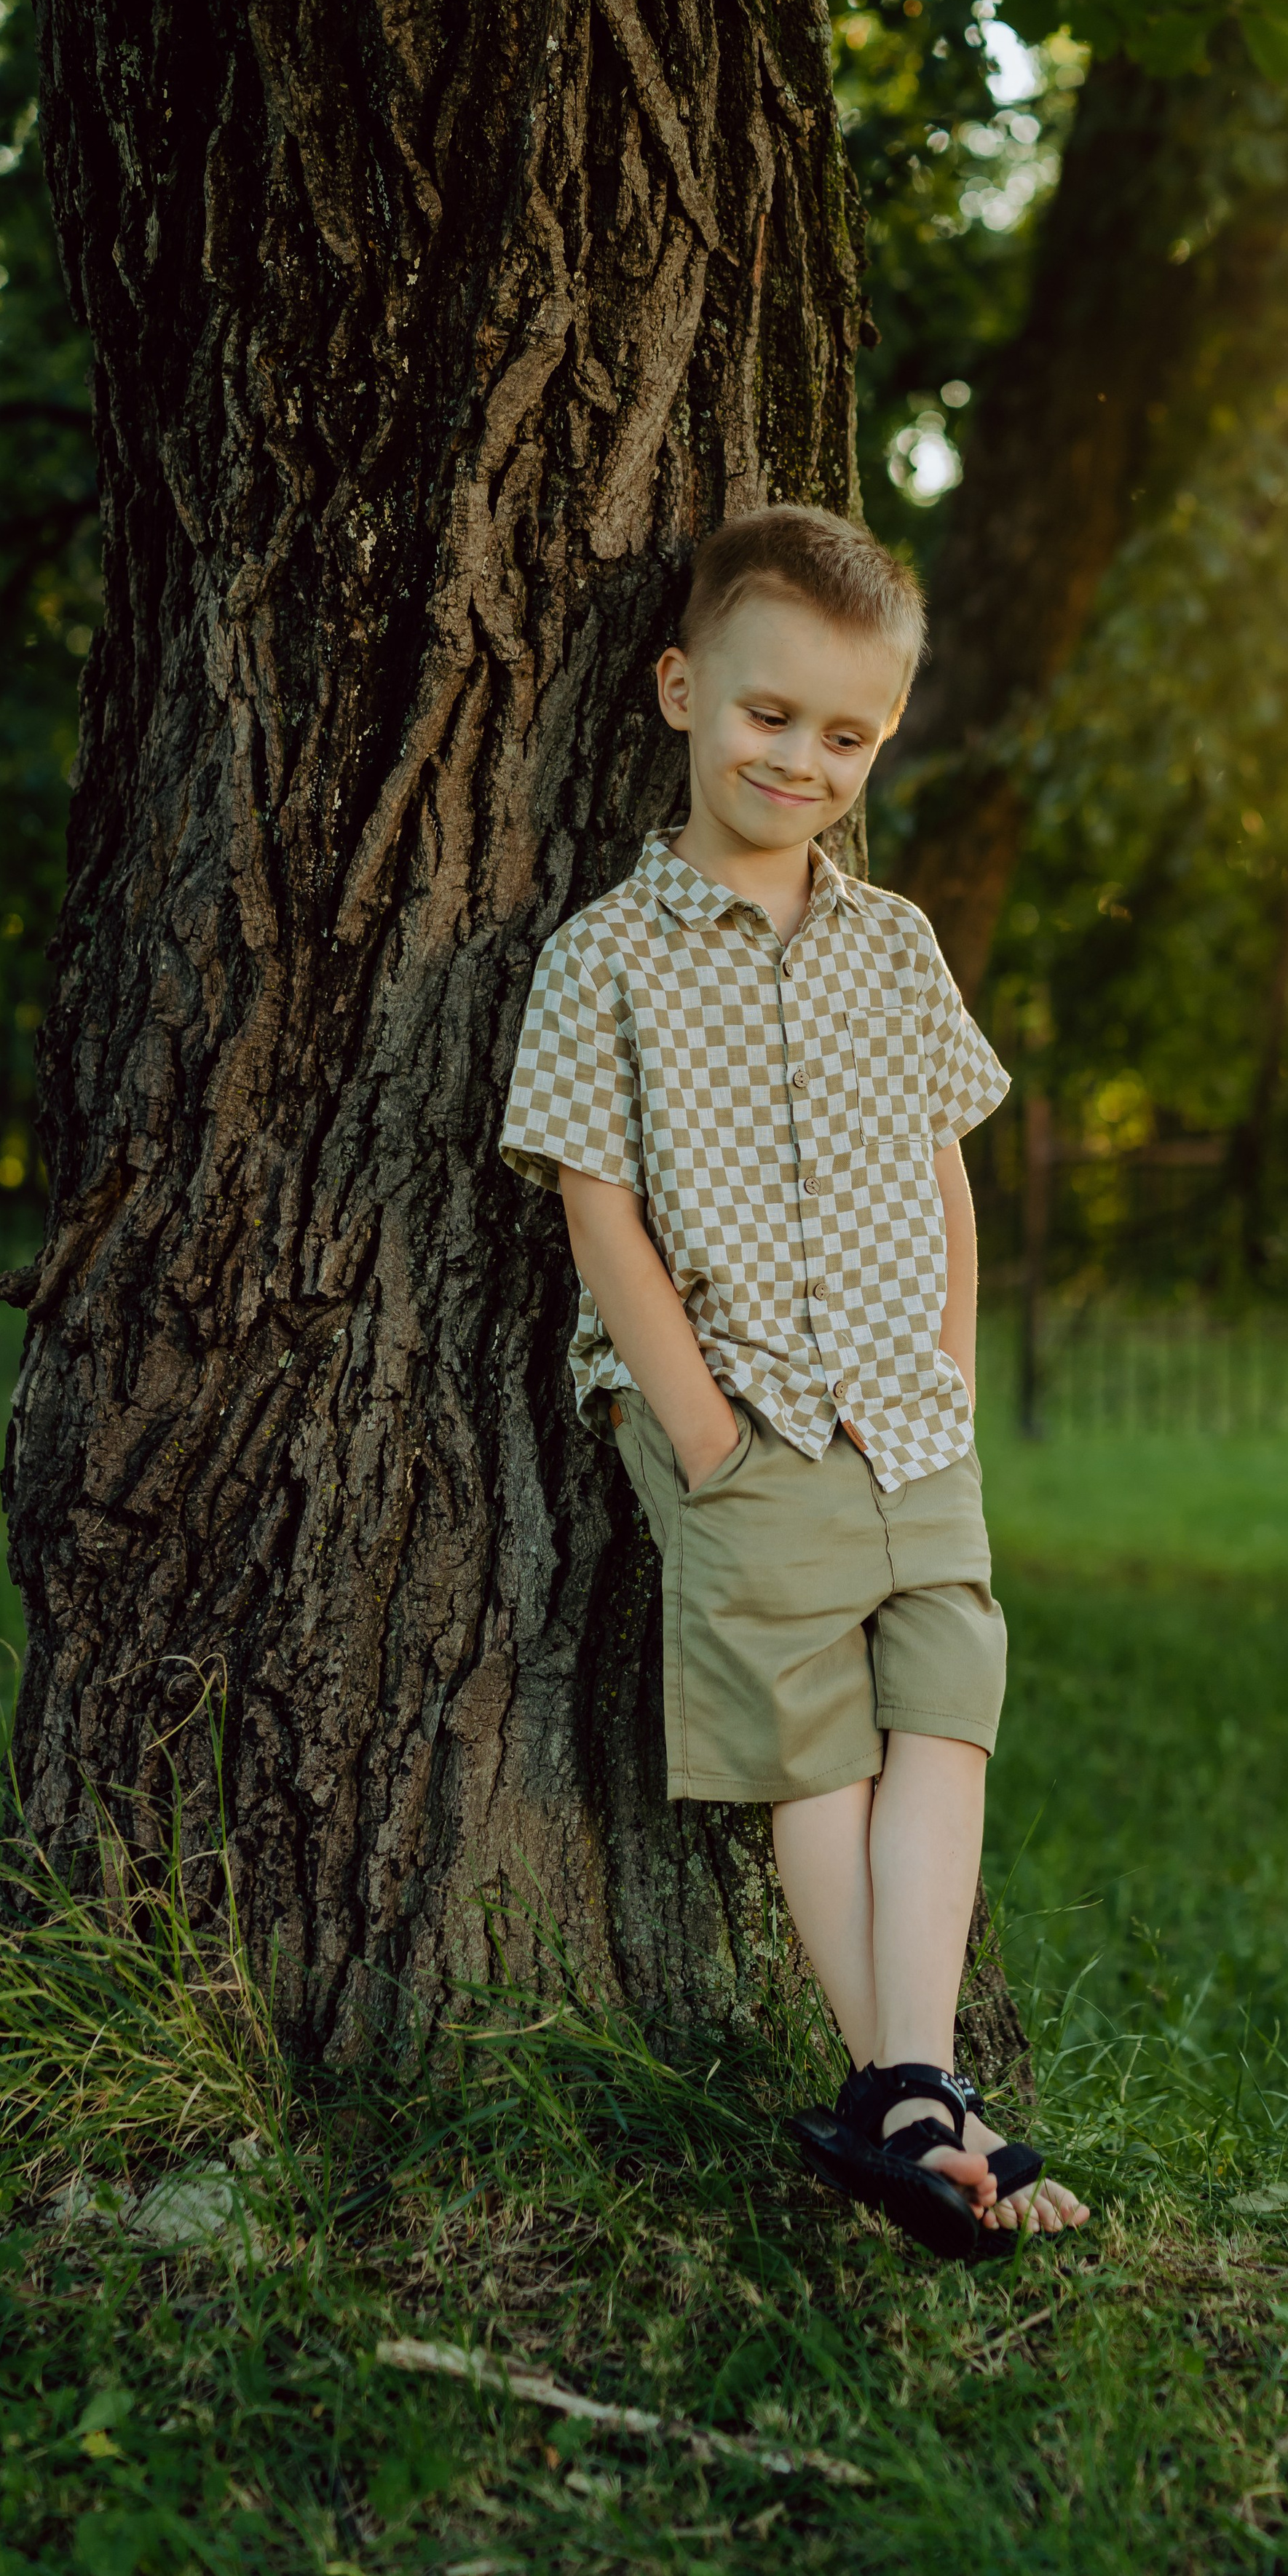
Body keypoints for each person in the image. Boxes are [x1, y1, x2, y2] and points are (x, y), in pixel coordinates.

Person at [500, 504, 1089, 2259]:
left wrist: (951, 1376)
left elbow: (941, 1173)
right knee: (812, 1759)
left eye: (845, 736)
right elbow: (593, 1204)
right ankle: (914, 2093)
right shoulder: (605, 954)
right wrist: (698, 1427)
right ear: (683, 692)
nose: (800, 760)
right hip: (740, 1408)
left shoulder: (891, 945)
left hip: (905, 1417)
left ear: (881, 740)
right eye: (769, 717)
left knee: (948, 1712)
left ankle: (907, 2104)